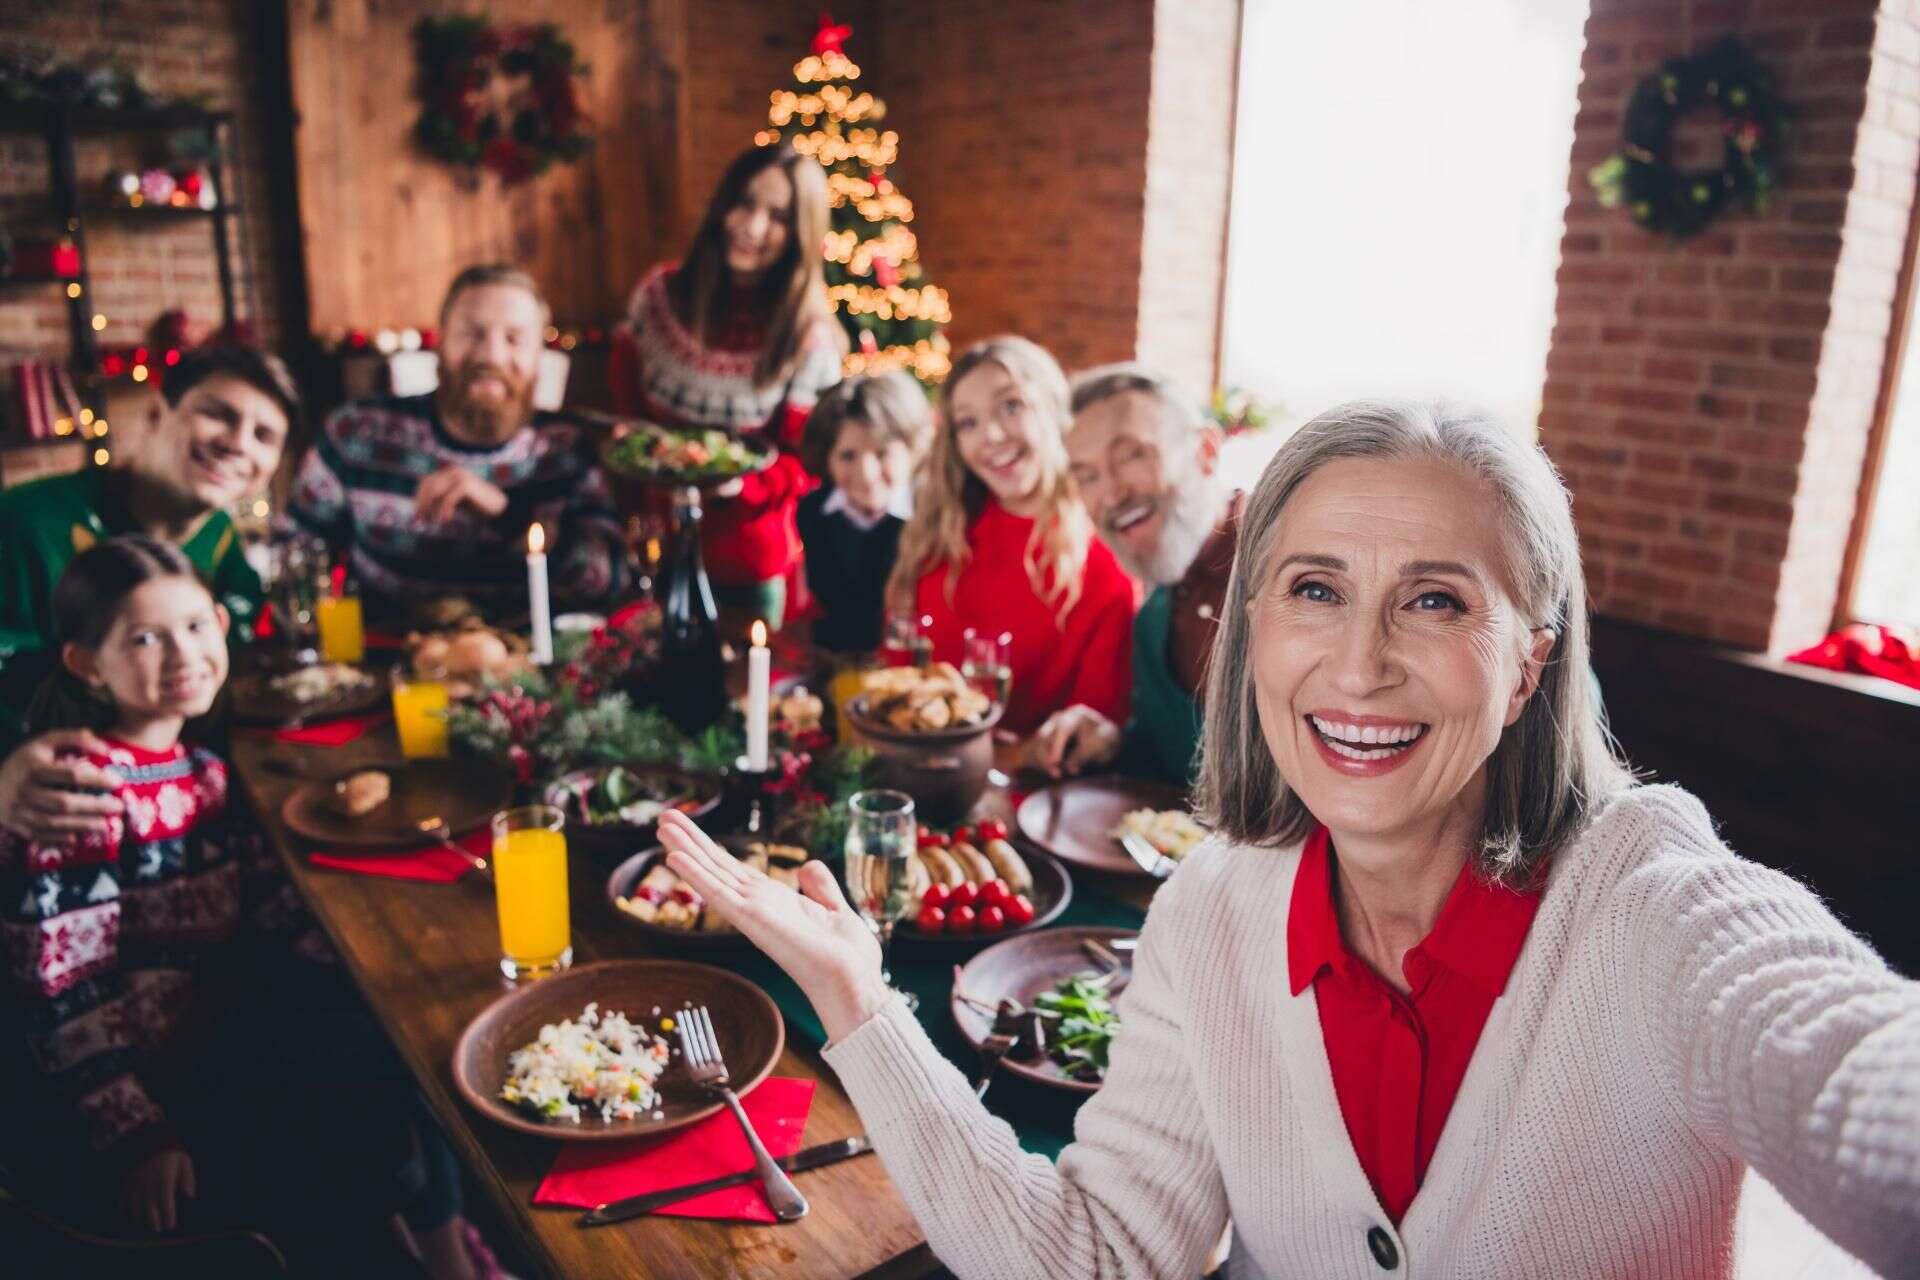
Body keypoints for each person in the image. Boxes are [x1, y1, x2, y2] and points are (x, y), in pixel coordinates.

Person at [658, 399, 1920, 1278]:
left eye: (1434, 599)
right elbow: (1096, 1254)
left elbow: (1866, 1078)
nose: (1359, 664)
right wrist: (861, 1002)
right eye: (1316, 589)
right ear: (1253, 623)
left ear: (1531, 662)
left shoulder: (1657, 907)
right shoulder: (1212, 907)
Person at [0, 536, 493, 1278]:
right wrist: (136, 1131)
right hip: (132, 1074)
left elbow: (270, 910)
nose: (182, 654)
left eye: (196, 625)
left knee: (399, 1039)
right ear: (85, 665)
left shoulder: (202, 771)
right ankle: (436, 1254)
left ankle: (428, 1235)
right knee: (367, 1079)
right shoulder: (84, 791)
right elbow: (64, 988)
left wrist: (397, 965)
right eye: (144, 638)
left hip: (206, 1026)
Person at [0, 343, 298, 843]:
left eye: (264, 436)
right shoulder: (25, 522)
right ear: (158, 412)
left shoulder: (219, 536)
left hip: (175, 821)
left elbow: (253, 650)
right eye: (217, 414)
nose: (238, 444)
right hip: (49, 833)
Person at [288, 264, 626, 625]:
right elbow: (293, 553)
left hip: (529, 667)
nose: (490, 357)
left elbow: (608, 582)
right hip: (387, 661)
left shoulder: (567, 447)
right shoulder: (356, 432)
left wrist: (507, 515)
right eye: (471, 334)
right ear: (440, 341)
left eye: (514, 338)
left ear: (539, 355)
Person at [609, 142, 843, 630]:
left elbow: (808, 462)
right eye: (745, 202)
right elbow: (625, 412)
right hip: (651, 553)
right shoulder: (655, 298)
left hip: (746, 563)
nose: (752, 226)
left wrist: (742, 486)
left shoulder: (808, 335)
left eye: (778, 215)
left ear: (801, 232)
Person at [884, 337, 1134, 736]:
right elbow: (895, 678)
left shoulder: (1105, 565)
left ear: (1053, 408)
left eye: (1011, 406)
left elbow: (1090, 728)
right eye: (968, 423)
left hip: (1034, 790)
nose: (992, 436)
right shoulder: (938, 535)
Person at [1034, 364, 1239, 783]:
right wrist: (1112, 743)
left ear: (1206, 452)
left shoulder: (1295, 575)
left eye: (1131, 455)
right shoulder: (1152, 617)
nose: (1111, 493)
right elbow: (1172, 766)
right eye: (1086, 476)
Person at [795, 370, 930, 652]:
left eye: (882, 453)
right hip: (835, 660)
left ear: (912, 449)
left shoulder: (931, 516)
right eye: (847, 456)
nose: (867, 475)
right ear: (826, 458)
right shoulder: (813, 512)